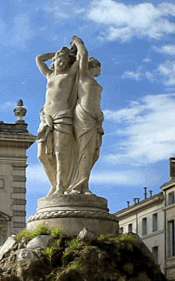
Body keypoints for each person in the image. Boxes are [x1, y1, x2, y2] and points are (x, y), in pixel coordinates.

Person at [35, 43, 80, 195]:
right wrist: (56, 53)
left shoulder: (69, 75)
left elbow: (81, 58)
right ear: (54, 62)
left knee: (61, 153)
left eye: (64, 61)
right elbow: (39, 59)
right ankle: (54, 183)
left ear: (68, 63)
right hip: (47, 117)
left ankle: (61, 186)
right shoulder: (49, 74)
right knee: (42, 155)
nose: (61, 63)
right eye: (58, 60)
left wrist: (75, 48)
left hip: (62, 115)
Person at [70, 35, 103, 195]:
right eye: (98, 69)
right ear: (93, 67)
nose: (99, 72)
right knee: (84, 151)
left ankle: (84, 184)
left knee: (92, 153)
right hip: (83, 115)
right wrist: (79, 43)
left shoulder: (93, 82)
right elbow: (82, 55)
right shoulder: (83, 76)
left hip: (94, 120)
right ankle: (79, 185)